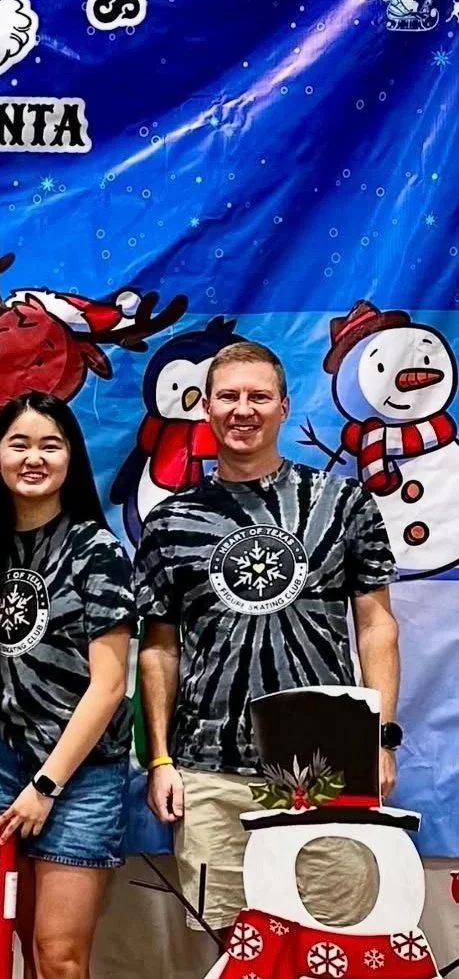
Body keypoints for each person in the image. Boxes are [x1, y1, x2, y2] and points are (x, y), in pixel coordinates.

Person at [135, 340, 402, 934]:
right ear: (205, 407)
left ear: (284, 406)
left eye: (258, 396)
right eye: (228, 396)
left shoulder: (342, 502)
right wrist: (160, 759)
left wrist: (379, 739)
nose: (242, 409)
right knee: (232, 948)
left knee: (334, 942)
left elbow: (376, 624)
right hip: (209, 773)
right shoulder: (170, 521)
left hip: (326, 764)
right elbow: (158, 648)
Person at [0, 391, 136, 979]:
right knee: (22, 951)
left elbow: (109, 687)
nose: (34, 458)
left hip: (78, 774)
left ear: (71, 458)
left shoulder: (98, 550)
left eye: (50, 445)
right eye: (20, 444)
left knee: (59, 957)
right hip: (1, 764)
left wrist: (45, 787)